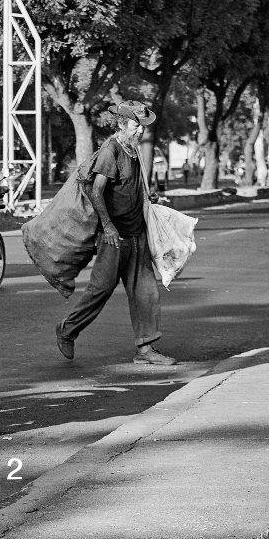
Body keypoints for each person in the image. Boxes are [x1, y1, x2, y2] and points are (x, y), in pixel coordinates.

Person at [54, 100, 176, 366]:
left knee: (146, 292)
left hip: (137, 234)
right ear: (122, 124)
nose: (140, 131)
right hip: (115, 236)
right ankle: (67, 329)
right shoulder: (111, 150)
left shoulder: (132, 151)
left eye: (142, 127)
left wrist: (147, 196)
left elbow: (129, 187)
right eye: (136, 125)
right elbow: (97, 191)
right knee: (101, 290)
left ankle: (145, 351)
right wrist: (107, 226)